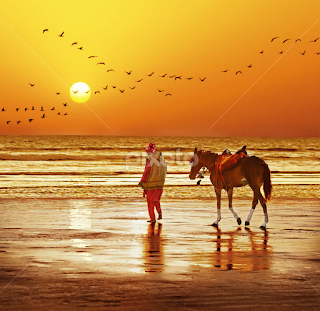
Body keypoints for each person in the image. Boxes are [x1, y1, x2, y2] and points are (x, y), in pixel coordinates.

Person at [138, 143, 167, 223]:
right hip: (160, 184)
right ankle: (159, 212)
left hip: (151, 183)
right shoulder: (161, 158)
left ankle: (152, 218)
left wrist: (143, 181)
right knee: (156, 199)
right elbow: (164, 169)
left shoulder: (150, 159)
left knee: (150, 201)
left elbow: (147, 171)